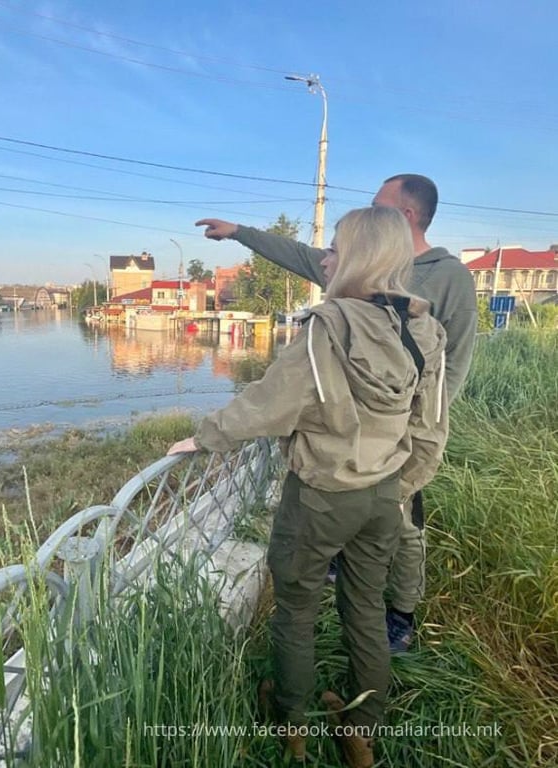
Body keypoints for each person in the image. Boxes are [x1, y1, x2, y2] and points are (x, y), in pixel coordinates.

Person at [168, 206, 449, 766]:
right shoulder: (424, 328)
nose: (327, 258)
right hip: (384, 492)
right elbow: (431, 424)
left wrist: (205, 438)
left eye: (336, 249)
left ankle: (291, 725)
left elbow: (273, 401)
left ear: (360, 257)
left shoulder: (330, 326)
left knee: (295, 610)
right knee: (366, 607)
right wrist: (401, 484)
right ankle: (363, 730)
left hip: (321, 493)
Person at [196, 174, 476, 653]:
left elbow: (452, 366)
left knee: (404, 527)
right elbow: (305, 257)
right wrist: (240, 232)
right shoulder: (360, 265)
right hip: (347, 434)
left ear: (404, 216)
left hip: (400, 436)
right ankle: (364, 679)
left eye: (377, 205)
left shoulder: (446, 278)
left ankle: (402, 615)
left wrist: (419, 436)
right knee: (358, 534)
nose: (367, 211)